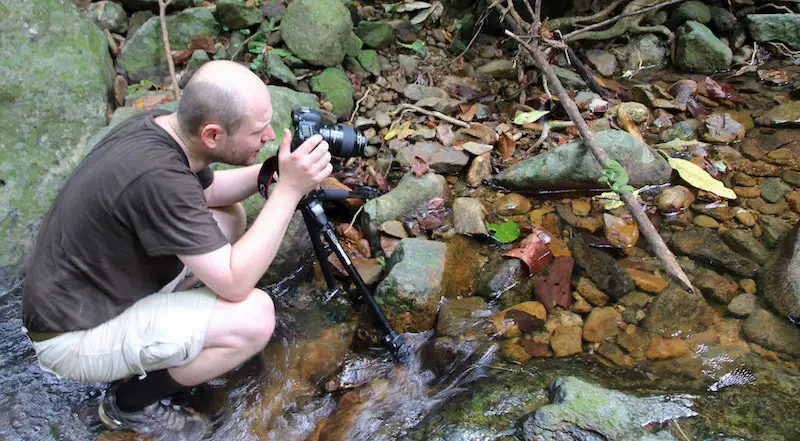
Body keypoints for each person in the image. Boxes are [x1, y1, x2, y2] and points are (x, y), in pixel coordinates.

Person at [21, 60, 332, 439]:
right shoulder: (157, 177)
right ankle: (130, 404)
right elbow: (236, 284)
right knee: (254, 318)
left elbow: (208, 192)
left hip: (84, 291)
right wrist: (288, 192)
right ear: (212, 135)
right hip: (71, 336)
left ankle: (179, 332)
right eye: (257, 131)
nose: (268, 135)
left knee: (225, 216)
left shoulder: (161, 127)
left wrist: (278, 171)